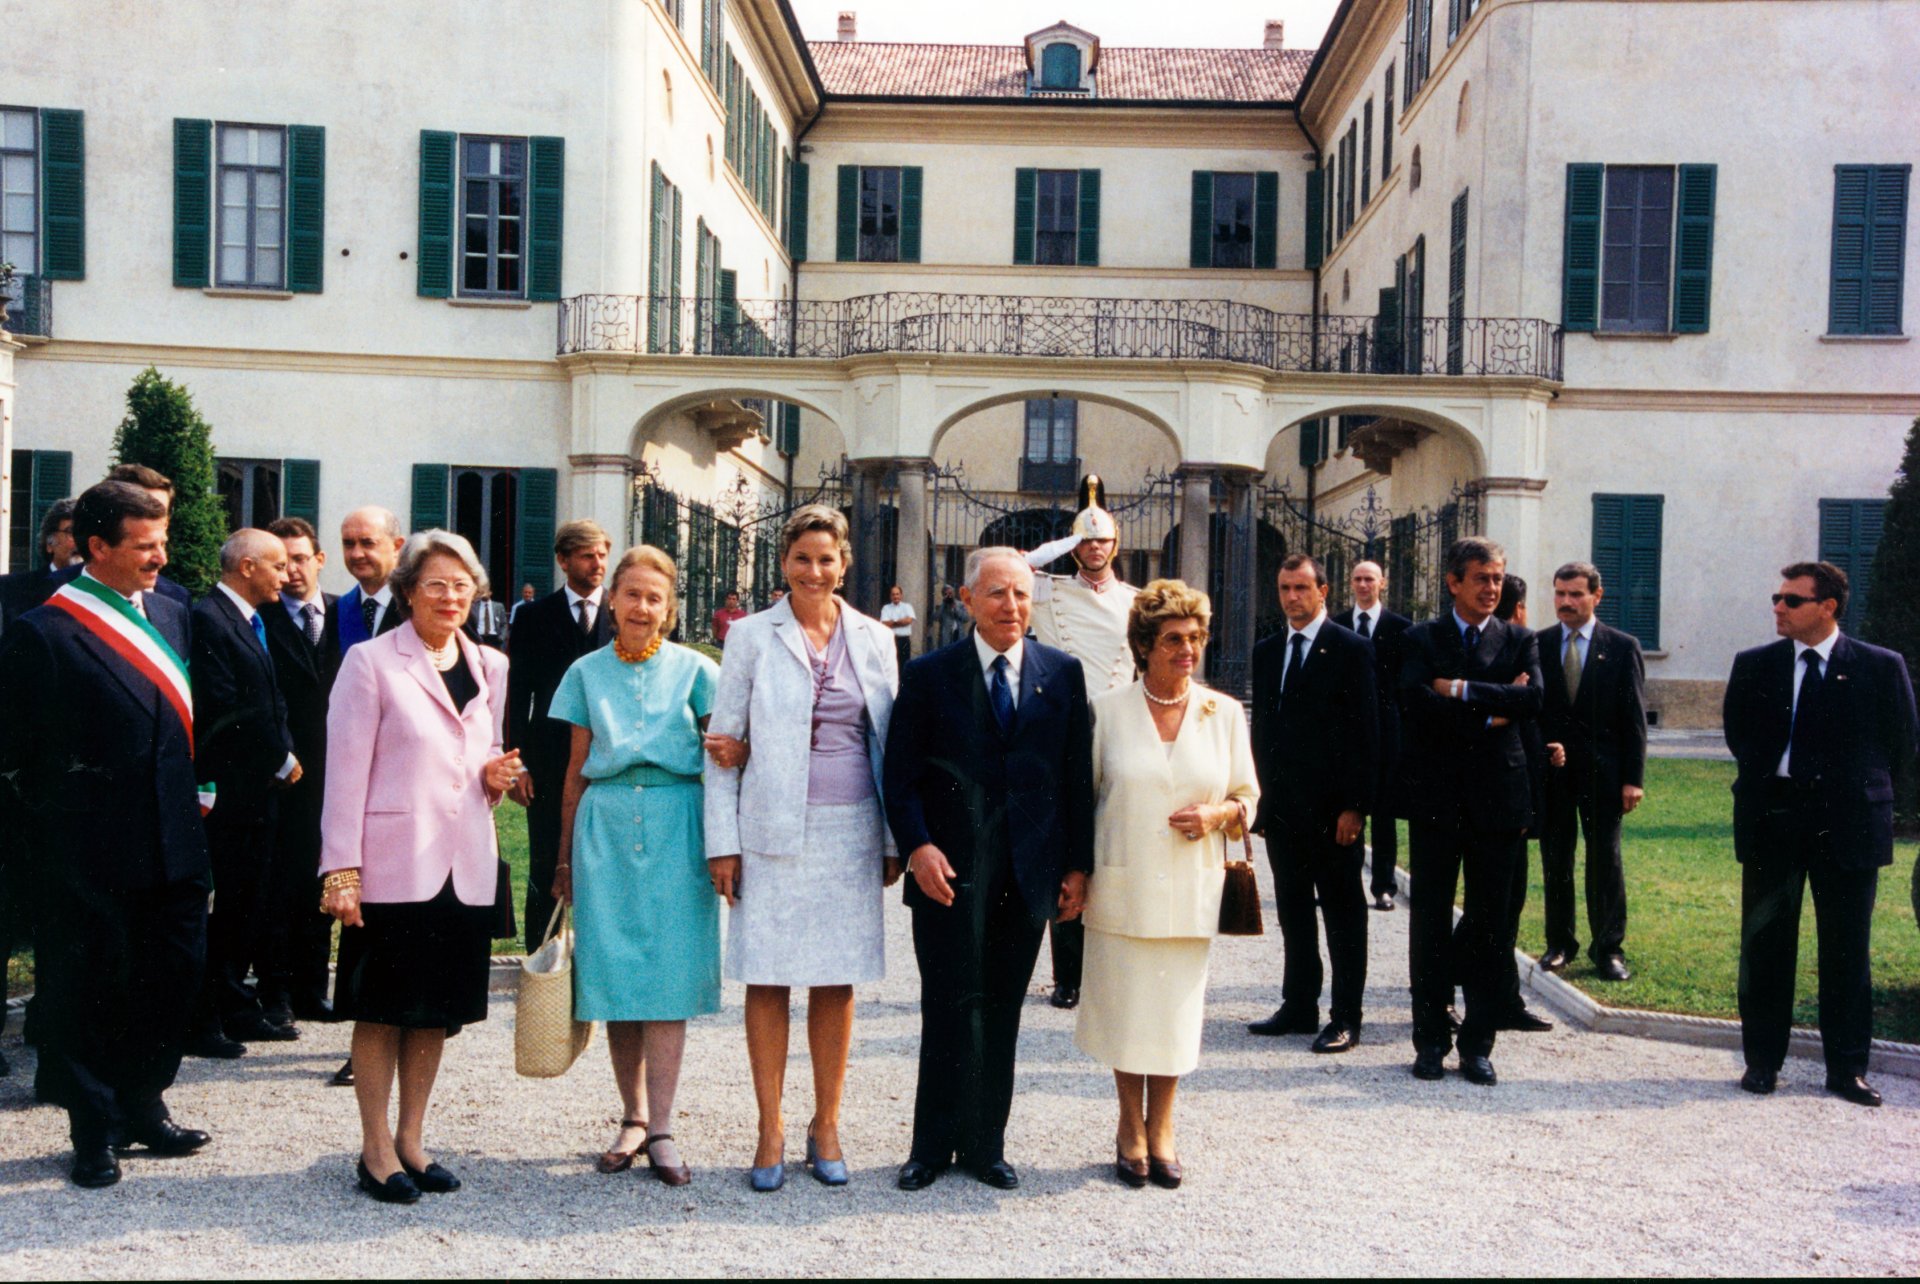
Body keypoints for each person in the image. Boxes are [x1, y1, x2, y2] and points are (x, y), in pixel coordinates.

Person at [0, 481, 213, 1188]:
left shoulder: (176, 615)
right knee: (91, 988)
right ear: (98, 548)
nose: (161, 557)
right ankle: (94, 1127)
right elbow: (18, 756)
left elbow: (189, 720)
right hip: (87, 853)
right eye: (145, 545)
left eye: (163, 541)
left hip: (174, 839)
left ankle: (144, 1103)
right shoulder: (43, 630)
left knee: (171, 978)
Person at [320, 529, 523, 1204]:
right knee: (381, 1009)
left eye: (462, 585)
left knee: (433, 1011)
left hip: (464, 862)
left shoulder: (490, 665)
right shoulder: (370, 663)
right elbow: (344, 774)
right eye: (435, 584)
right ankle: (375, 1149)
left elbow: (479, 764)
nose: (450, 596)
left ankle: (412, 1137)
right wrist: (340, 870)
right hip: (391, 865)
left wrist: (495, 775)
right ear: (407, 591)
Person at [883, 546, 1093, 1191]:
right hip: (947, 875)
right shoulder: (928, 675)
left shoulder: (1062, 674)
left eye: (1023, 595)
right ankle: (931, 1146)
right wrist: (917, 846)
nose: (1012, 607)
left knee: (1001, 1011)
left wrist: (1078, 867)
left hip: (1026, 876)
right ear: (966, 599)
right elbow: (899, 775)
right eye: (998, 594)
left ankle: (984, 1146)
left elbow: (1076, 779)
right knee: (947, 1007)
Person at [703, 505, 900, 1191]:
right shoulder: (753, 637)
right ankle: (769, 1126)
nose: (814, 571)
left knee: (835, 977)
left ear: (844, 564)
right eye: (801, 559)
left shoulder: (876, 638)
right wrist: (721, 845)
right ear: (783, 564)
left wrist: (892, 837)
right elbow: (721, 747)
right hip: (771, 828)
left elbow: (890, 744)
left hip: (851, 827)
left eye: (826, 559)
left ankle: (827, 1122)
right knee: (768, 974)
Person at [550, 546, 722, 1186]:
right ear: (614, 601)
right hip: (607, 825)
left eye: (655, 597)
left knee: (670, 975)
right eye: (631, 595)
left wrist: (723, 846)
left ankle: (666, 1125)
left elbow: (725, 762)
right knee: (617, 974)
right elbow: (573, 769)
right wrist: (564, 858)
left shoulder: (698, 671)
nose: (641, 608)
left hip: (680, 822)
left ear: (669, 607)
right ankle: (632, 1114)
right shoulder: (585, 672)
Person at [1077, 579, 1256, 1189]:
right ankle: (1130, 1125)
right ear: (1144, 646)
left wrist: (1217, 816)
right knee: (1128, 1015)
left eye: (1196, 638)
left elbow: (1248, 797)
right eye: (1174, 639)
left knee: (1175, 1017)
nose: (1188, 649)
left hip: (1190, 889)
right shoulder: (1105, 713)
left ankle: (1165, 1129)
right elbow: (1086, 800)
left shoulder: (1223, 713)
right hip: (1123, 887)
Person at [1725, 561, 1918, 1107]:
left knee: (1846, 950)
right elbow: (1741, 735)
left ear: (1827, 607)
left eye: (1791, 600)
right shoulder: (1755, 665)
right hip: (1775, 819)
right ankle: (1762, 1063)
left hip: (1848, 823)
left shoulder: (1880, 667)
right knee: (1765, 946)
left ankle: (1847, 1070)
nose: (1778, 608)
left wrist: (1859, 796)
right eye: (1777, 598)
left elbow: (1902, 745)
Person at [1396, 536, 1542, 1087]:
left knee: (1490, 925)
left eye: (1498, 579)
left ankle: (1478, 1042)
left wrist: (1457, 690)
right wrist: (1493, 707)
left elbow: (1533, 702)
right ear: (1453, 582)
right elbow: (1416, 704)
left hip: (1499, 803)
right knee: (1430, 923)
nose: (1491, 589)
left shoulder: (1519, 639)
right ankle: (1430, 1039)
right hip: (1437, 801)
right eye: (1481, 578)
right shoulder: (1421, 639)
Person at [1247, 555, 1378, 1053]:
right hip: (1283, 810)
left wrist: (1356, 806)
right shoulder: (1267, 650)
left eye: (1302, 588)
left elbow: (1367, 733)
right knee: (1294, 910)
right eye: (1284, 588)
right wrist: (1257, 799)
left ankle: (1346, 1015)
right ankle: (1299, 1004)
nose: (1292, 598)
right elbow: (1263, 730)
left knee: (1344, 915)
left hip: (1333, 813)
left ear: (1324, 590)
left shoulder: (1351, 649)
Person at [1025, 475, 1140, 1010]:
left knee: (1115, 848)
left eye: (1102, 541)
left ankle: (1110, 968)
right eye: (1085, 541)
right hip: (1065, 730)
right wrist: (1056, 548)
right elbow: (1007, 567)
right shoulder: (1048, 591)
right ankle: (1067, 974)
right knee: (1068, 848)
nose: (1095, 549)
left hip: (1119, 728)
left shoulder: (1137, 600)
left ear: (1116, 545)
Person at [187, 529, 302, 1057]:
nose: (287, 575)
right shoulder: (210, 618)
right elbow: (223, 706)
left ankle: (234, 1004)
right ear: (248, 566)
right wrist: (277, 758)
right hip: (232, 793)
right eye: (277, 566)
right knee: (226, 905)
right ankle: (205, 1016)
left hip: (261, 792)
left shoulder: (254, 620)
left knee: (247, 904)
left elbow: (270, 698)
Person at [1536, 561, 1648, 982]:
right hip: (1554, 773)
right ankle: (1559, 943)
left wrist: (1633, 779)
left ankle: (1608, 949)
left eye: (1576, 594)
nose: (1566, 602)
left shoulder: (1621, 646)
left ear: (1596, 596)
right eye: (1560, 593)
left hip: (1604, 774)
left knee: (1605, 860)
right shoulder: (1539, 643)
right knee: (1556, 859)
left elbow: (1634, 718)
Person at [505, 520, 612, 951]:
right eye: (588, 555)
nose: (598, 563)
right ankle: (542, 965)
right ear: (564, 560)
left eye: (603, 554)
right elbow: (516, 696)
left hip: (608, 758)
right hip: (548, 762)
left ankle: (600, 960)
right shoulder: (533, 617)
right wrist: (519, 764)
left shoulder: (622, 615)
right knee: (547, 864)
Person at [257, 516, 342, 1030]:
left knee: (322, 879)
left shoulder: (342, 614)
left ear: (319, 560)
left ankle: (314, 988)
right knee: (279, 884)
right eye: (282, 561)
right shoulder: (261, 619)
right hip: (284, 772)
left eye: (301, 559)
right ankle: (276, 993)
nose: (291, 570)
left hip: (336, 768)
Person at [1487, 575, 1555, 1035]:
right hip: (1502, 794)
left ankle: (1504, 996)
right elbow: (1520, 704)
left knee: (1506, 904)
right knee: (1500, 904)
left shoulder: (1518, 653)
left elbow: (1530, 705)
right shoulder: (1509, 650)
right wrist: (1512, 698)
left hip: (1522, 786)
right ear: (1520, 611)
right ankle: (1493, 994)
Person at [1331, 559, 1411, 911]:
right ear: (1351, 583)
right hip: (1346, 731)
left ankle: (1384, 887)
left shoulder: (1402, 629)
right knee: (1345, 804)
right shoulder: (1336, 625)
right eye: (1358, 579)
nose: (1363, 585)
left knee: (1383, 809)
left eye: (1370, 579)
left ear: (1383, 583)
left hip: (1387, 730)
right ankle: (1340, 882)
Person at [45, 466, 192, 609]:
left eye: (159, 512)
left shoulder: (177, 600)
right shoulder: (51, 590)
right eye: (138, 509)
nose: (152, 519)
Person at [0, 496, 79, 632]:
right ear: (49, 543)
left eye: (87, 533)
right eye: (71, 532)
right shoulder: (11, 590)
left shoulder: (109, 593)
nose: (81, 541)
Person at [336, 506, 406, 653]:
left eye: (368, 543)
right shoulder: (337, 611)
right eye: (348, 544)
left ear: (397, 547)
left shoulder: (417, 606)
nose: (356, 554)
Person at [879, 584, 916, 670]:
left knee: (904, 665)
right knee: (891, 665)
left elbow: (908, 621)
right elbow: (884, 624)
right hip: (891, 640)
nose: (895, 596)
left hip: (904, 640)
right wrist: (900, 621)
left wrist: (893, 622)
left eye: (897, 594)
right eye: (893, 594)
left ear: (901, 595)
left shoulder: (907, 607)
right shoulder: (886, 608)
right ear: (890, 596)